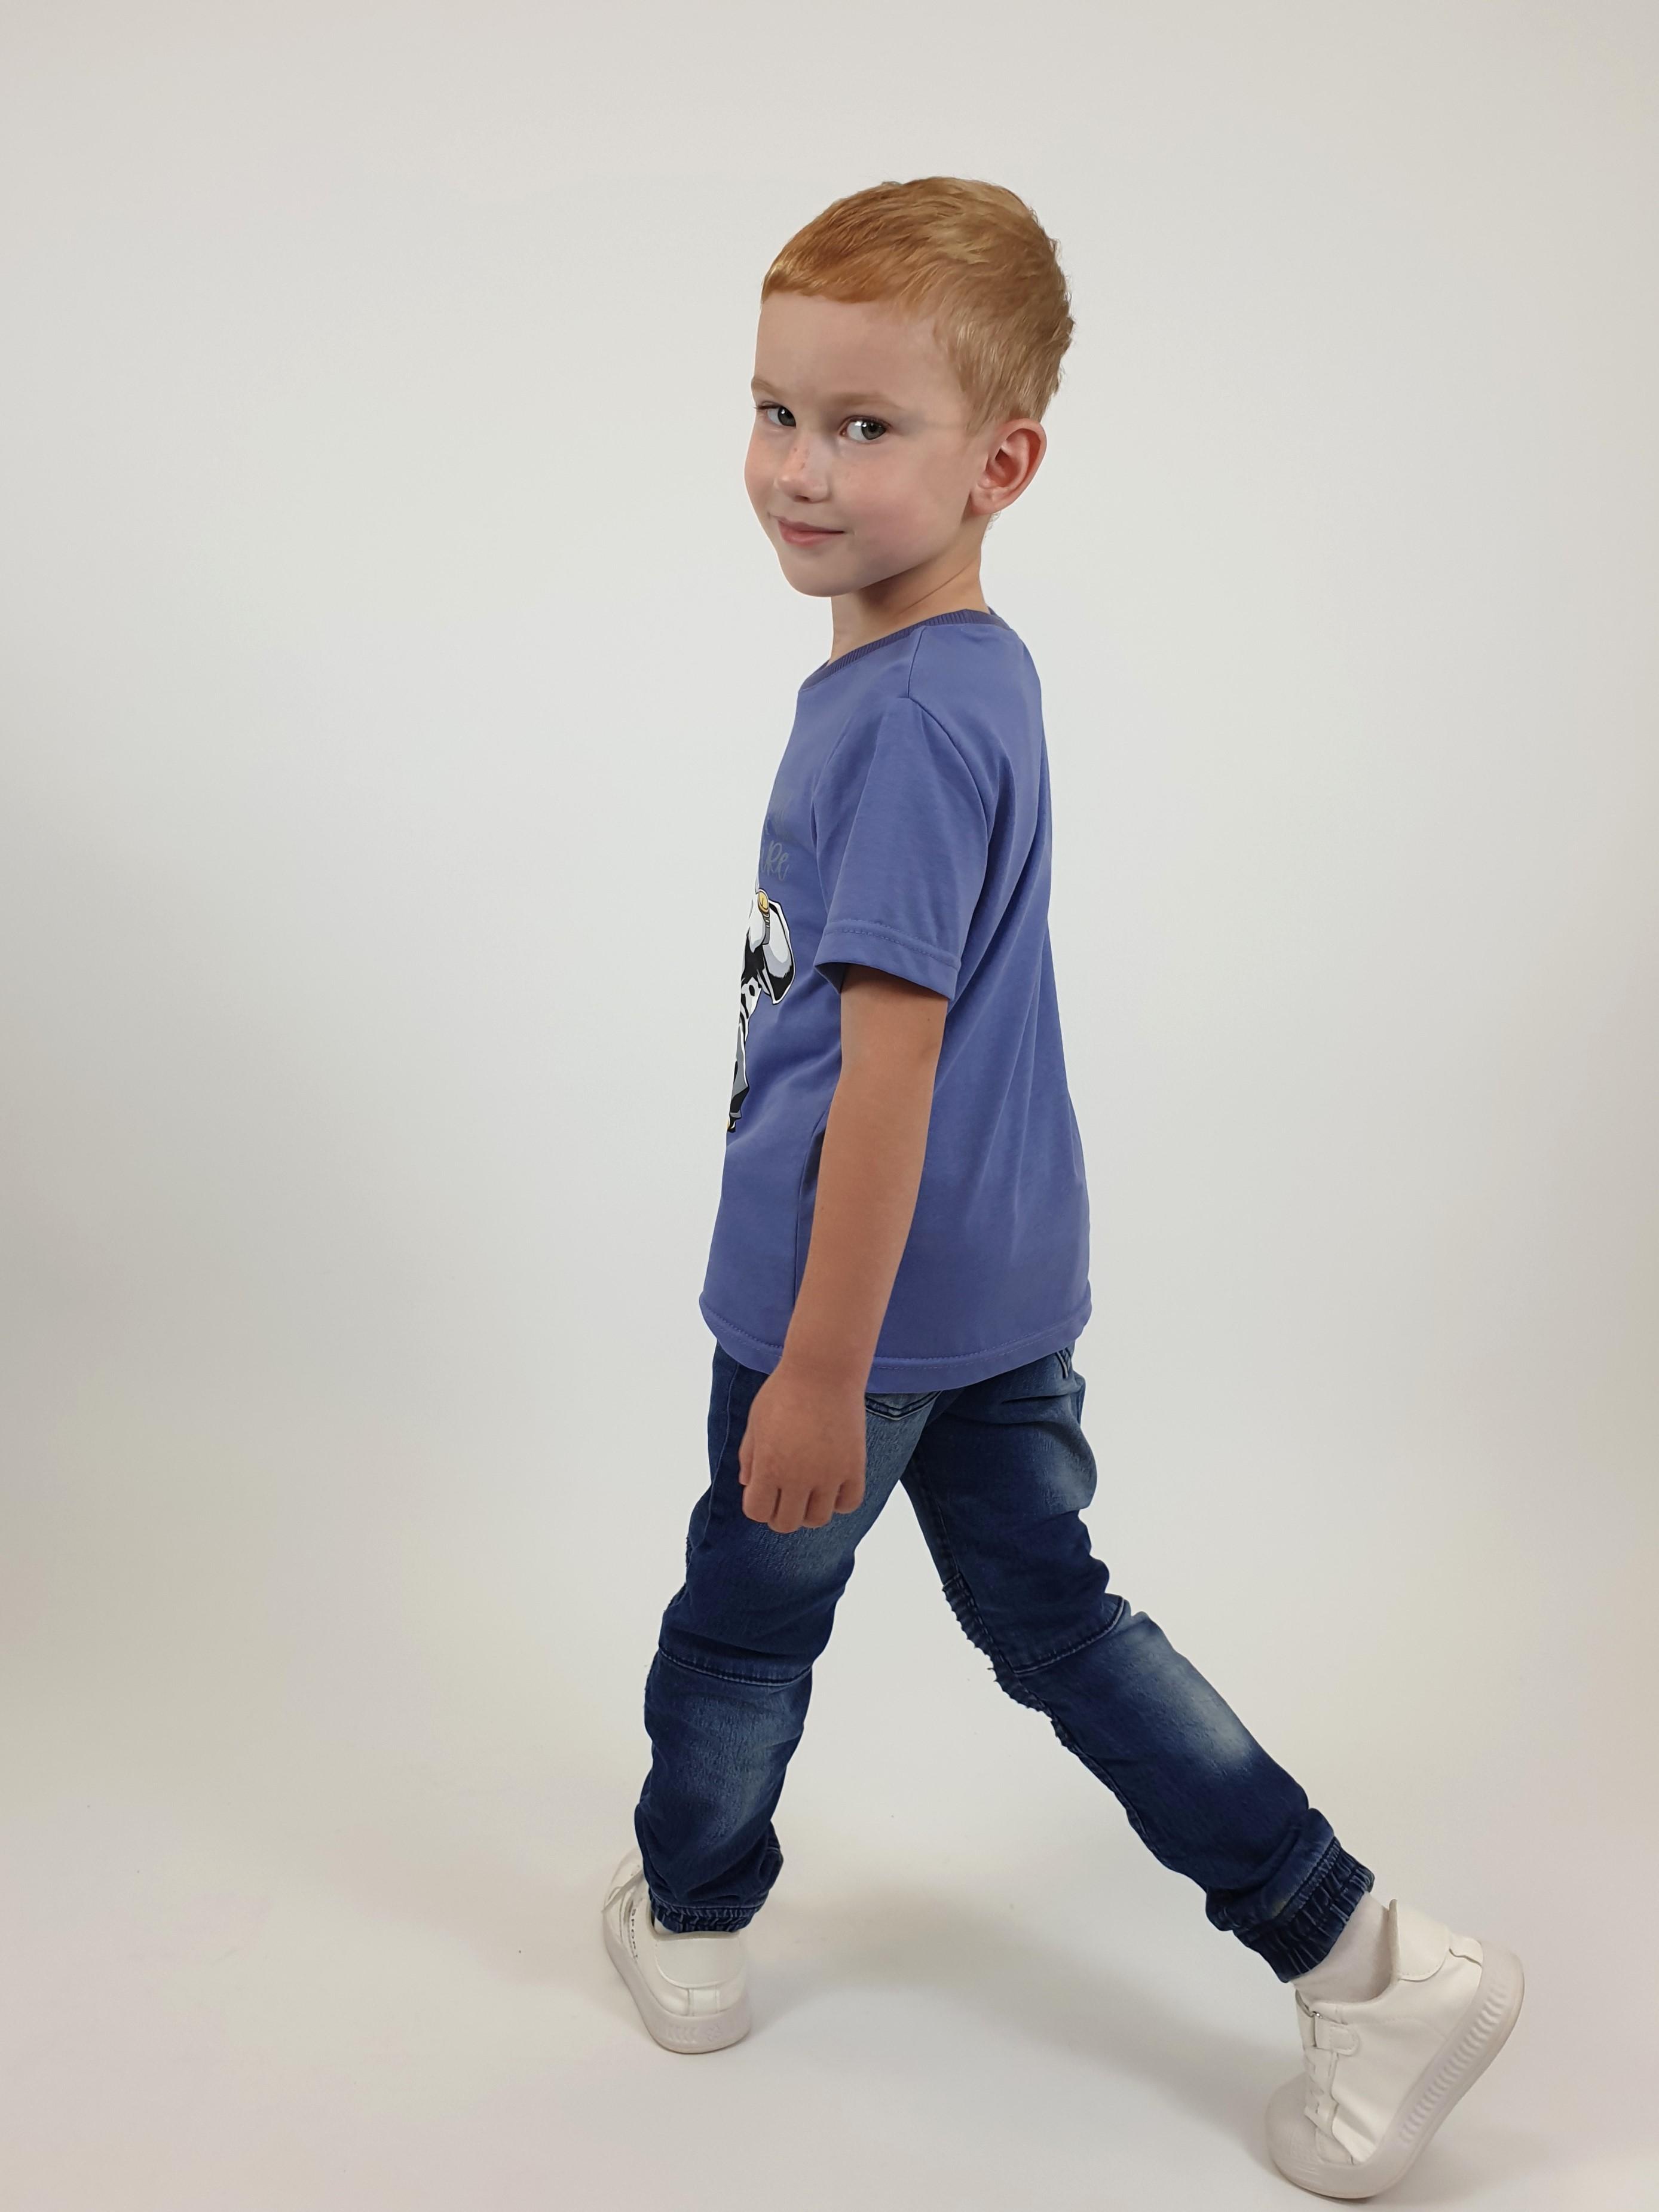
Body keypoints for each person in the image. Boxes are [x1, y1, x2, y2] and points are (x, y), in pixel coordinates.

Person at [600, 176, 1523, 2200]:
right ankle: (1365, 1960)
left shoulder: (904, 727)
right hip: (1008, 1284)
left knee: (748, 1629)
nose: (799, 468)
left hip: (852, 1310)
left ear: (1000, 464)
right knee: (1065, 1627)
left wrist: (820, 1370)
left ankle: (692, 1911)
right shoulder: (966, 671)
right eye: (775, 411)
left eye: (865, 427)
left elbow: (889, 1074)